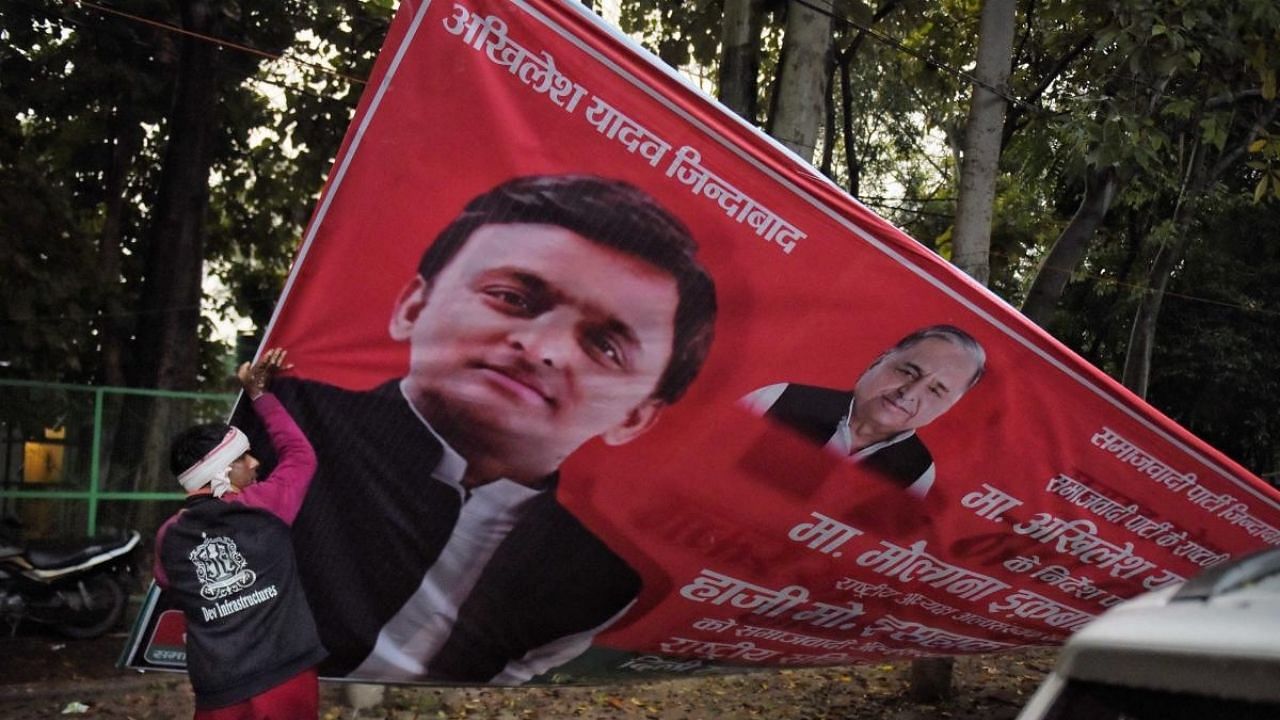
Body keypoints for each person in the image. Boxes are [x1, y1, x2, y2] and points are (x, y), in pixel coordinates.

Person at [235, 174, 718, 683]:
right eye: (511, 297)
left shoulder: (601, 583)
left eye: (606, 346)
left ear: (635, 416)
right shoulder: (280, 433)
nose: (542, 347)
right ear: (412, 308)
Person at [154, 348, 326, 719]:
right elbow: (299, 455)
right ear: (220, 472)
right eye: (243, 457)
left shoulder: (168, 537)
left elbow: (169, 585)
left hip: (218, 691)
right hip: (285, 680)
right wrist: (259, 395)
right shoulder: (267, 505)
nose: (255, 462)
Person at [740, 325, 985, 497]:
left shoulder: (917, 472)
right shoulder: (779, 398)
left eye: (935, 391)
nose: (909, 394)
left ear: (948, 407)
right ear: (880, 360)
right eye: (908, 372)